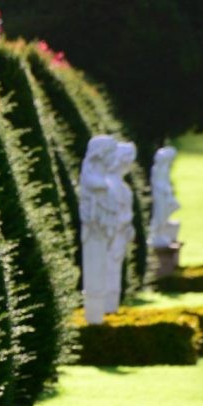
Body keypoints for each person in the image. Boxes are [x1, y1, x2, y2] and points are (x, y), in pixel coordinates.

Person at [79, 135, 118, 324]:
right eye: (112, 153)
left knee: (101, 274)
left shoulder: (101, 179)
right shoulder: (93, 179)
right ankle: (94, 322)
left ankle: (98, 321)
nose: (115, 158)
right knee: (95, 277)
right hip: (94, 235)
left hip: (102, 235)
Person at [104, 141, 136, 313]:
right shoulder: (110, 185)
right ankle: (107, 311)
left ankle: (111, 310)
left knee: (114, 274)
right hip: (112, 235)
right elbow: (110, 213)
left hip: (119, 235)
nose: (128, 165)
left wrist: (128, 225)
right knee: (109, 274)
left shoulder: (122, 186)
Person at [148, 146, 180, 248]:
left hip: (165, 195)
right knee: (160, 215)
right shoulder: (157, 169)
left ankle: (162, 233)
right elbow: (157, 183)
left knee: (165, 214)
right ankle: (158, 233)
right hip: (161, 195)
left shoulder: (165, 168)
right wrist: (166, 190)